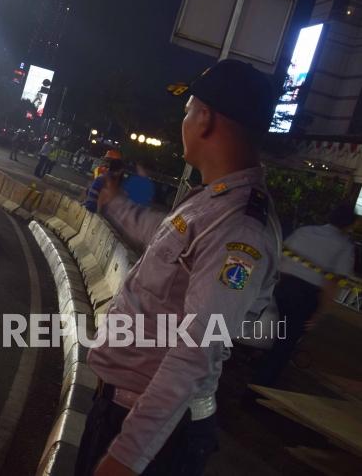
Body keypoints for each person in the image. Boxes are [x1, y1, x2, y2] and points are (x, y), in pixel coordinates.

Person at [77, 60, 281, 476]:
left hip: (153, 438)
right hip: (125, 412)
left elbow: (197, 349)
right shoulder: (211, 202)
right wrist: (112, 203)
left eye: (188, 109)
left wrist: (125, 457)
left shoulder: (239, 225)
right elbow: (162, 236)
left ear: (205, 119)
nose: (184, 120)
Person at [251, 204, 357, 388]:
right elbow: (331, 285)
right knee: (284, 345)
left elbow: (281, 259)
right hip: (304, 298)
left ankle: (253, 362)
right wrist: (319, 314)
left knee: (266, 328)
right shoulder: (344, 247)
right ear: (349, 224)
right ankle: (257, 389)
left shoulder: (305, 232)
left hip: (282, 286)